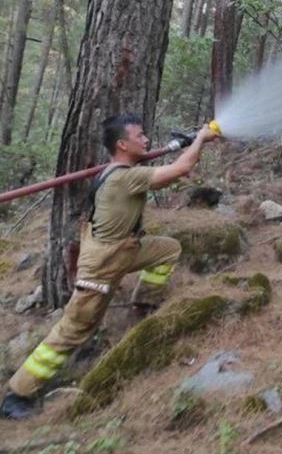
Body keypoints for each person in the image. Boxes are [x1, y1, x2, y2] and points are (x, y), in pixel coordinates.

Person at [1, 113, 218, 420]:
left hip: (125, 250)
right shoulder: (123, 178)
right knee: (73, 330)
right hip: (101, 267)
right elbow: (180, 169)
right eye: (139, 135)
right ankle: (17, 394)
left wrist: (184, 145)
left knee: (168, 249)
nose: (145, 139)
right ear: (122, 144)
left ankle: (144, 304)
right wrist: (199, 139)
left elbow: (170, 168)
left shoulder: (120, 171)